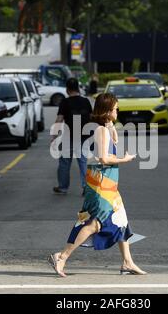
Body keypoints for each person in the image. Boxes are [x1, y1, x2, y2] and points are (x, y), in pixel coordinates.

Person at [48, 93, 146, 278]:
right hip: (101, 186)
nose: (118, 111)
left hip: (109, 186)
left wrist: (110, 124)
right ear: (108, 111)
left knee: (121, 222)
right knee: (95, 224)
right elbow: (103, 158)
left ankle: (127, 262)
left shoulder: (105, 128)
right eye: (115, 108)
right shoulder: (100, 130)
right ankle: (62, 256)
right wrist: (125, 159)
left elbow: (115, 141)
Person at [52, 77, 93, 196]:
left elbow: (59, 119)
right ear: (78, 88)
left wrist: (54, 135)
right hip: (85, 135)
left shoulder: (65, 102)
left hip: (69, 136)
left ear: (67, 89)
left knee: (65, 162)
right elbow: (91, 117)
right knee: (83, 161)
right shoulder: (85, 101)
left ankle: (63, 187)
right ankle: (86, 187)